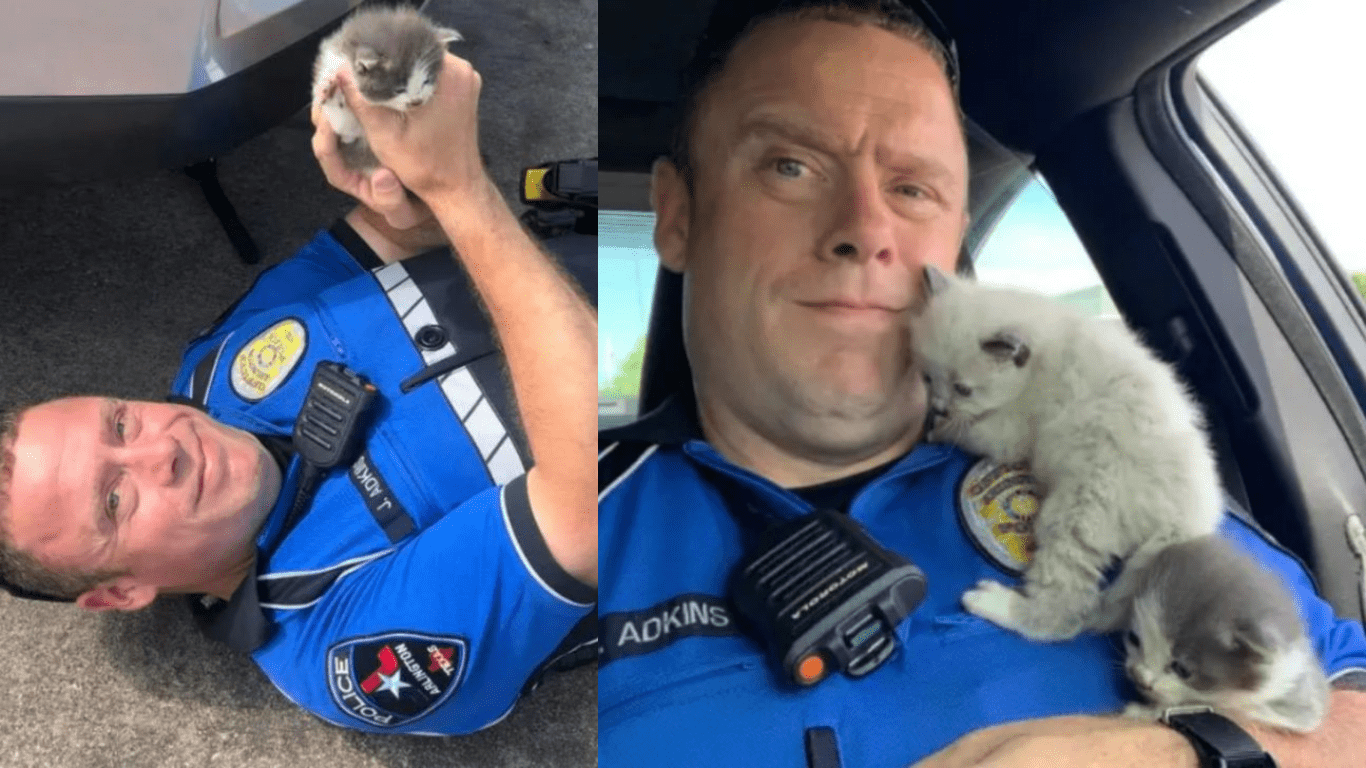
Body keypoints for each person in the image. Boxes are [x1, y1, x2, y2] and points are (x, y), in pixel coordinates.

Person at [596, 2, 1366, 766]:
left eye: (912, 188)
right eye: (790, 165)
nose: (866, 227)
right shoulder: (567, 530)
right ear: (678, 214)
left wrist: (1183, 755)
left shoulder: (1116, 472)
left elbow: (1343, 696)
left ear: (953, 240)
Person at [0, 50, 597, 735]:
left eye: (122, 424)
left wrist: (391, 156)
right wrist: (462, 191)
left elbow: (402, 232)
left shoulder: (215, 368)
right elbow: (586, 504)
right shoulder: (338, 642)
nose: (163, 450)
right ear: (121, 592)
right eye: (115, 499)